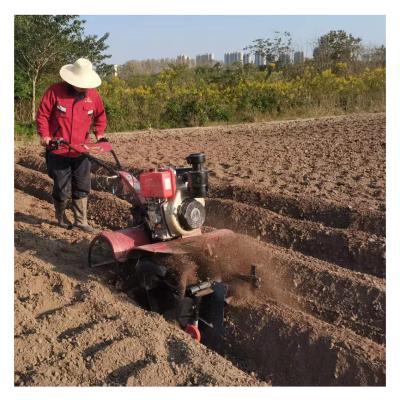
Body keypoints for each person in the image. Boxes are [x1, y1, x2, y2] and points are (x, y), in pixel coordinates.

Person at [36, 58, 107, 232]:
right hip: (58, 150)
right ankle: (61, 217)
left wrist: (99, 133)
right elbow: (42, 115)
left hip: (82, 151)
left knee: (82, 185)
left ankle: (81, 221)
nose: (83, 87)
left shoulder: (93, 96)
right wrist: (45, 135)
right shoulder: (55, 91)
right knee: (61, 187)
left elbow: (100, 116)